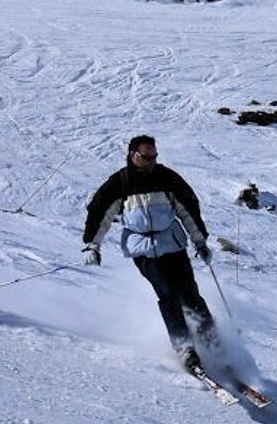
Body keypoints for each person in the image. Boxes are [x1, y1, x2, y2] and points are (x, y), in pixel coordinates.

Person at [82, 135, 215, 369]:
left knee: (190, 294)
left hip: (173, 244)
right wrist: (92, 245)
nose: (151, 161)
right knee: (168, 294)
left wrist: (200, 242)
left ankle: (212, 342)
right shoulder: (120, 182)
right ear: (133, 155)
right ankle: (184, 347)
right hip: (143, 250)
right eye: (146, 157)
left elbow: (188, 210)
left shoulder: (168, 178)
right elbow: (99, 213)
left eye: (154, 156)